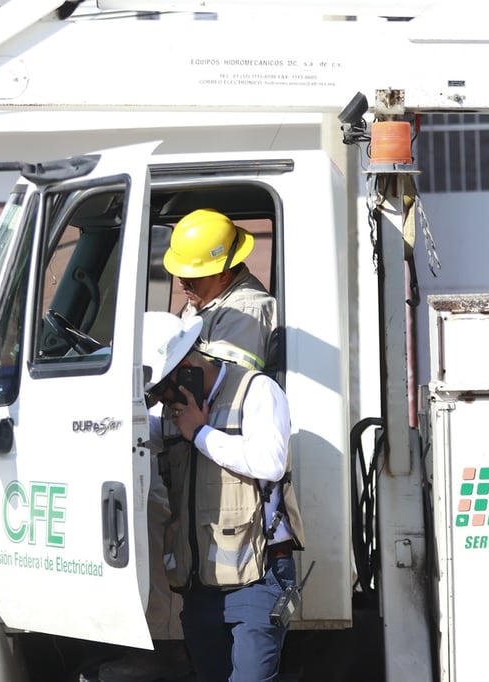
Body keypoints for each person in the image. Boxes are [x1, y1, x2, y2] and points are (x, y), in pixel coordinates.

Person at [142, 311, 305, 682]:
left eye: (164, 389)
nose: (163, 402)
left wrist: (200, 434)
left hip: (259, 577)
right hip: (199, 585)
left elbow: (270, 462)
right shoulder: (171, 410)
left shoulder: (257, 391)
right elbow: (134, 434)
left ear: (186, 368)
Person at [162, 208, 277, 372]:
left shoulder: (245, 311)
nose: (182, 283)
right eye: (180, 275)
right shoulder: (206, 294)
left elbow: (224, 382)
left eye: (192, 277)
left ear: (223, 275)